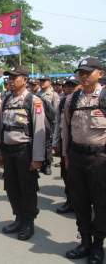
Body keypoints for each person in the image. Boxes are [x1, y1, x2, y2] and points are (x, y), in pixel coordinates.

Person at [62, 58, 106, 264]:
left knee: (101, 204)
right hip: (77, 157)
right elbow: (67, 129)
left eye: (88, 72)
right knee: (80, 202)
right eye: (81, 72)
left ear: (100, 74)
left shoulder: (105, 97)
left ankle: (98, 246)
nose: (84, 76)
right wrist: (66, 155)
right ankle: (85, 242)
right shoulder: (73, 99)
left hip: (100, 159)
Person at [0, 66, 46, 241]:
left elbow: (39, 129)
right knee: (11, 187)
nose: (10, 80)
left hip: (25, 151)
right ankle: (18, 218)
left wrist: (37, 158)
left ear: (25, 80)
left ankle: (28, 222)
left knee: (27, 188)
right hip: (8, 151)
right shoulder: (6, 100)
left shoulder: (33, 101)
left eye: (14, 77)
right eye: (9, 78)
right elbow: (0, 128)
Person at [52, 78, 80, 214]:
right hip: (65, 142)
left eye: (72, 86)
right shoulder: (63, 101)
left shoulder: (82, 101)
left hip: (79, 143)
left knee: (79, 177)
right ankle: (70, 201)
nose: (69, 89)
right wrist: (56, 142)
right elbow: (58, 123)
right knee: (66, 174)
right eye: (67, 87)